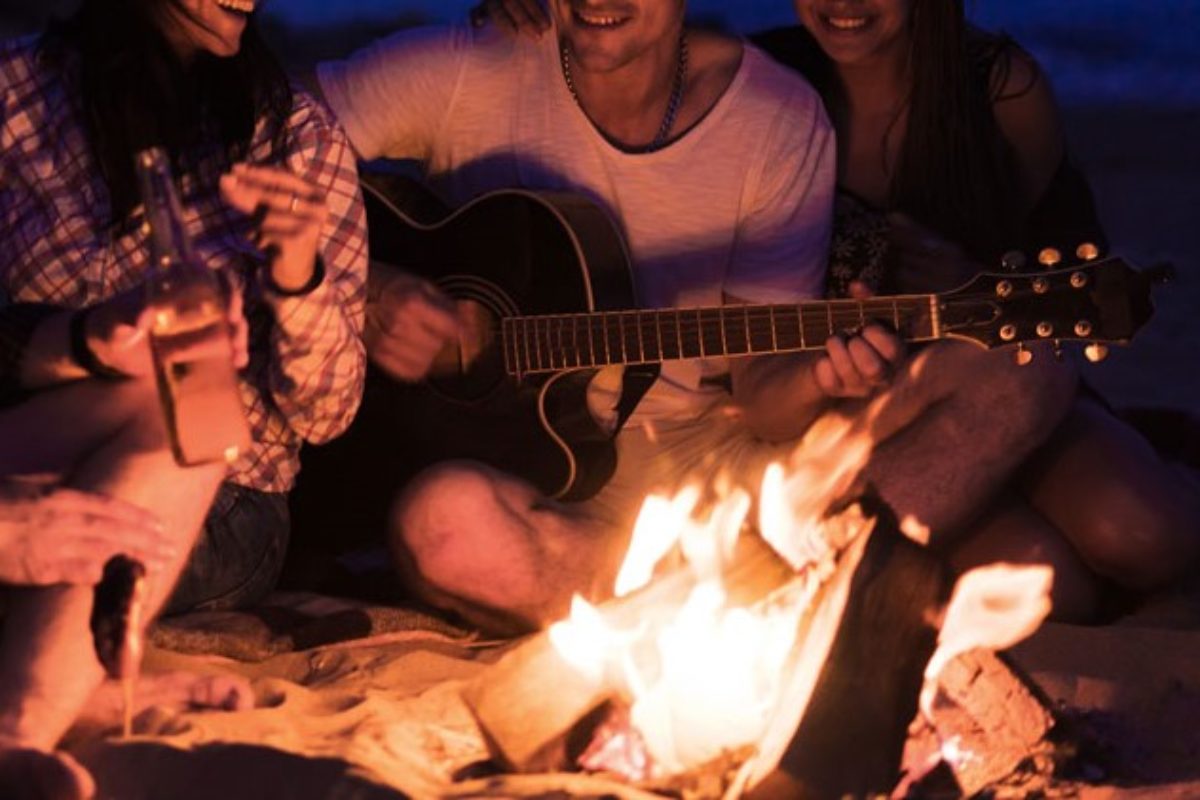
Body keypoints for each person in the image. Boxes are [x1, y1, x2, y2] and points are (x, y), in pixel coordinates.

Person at [313, 0, 1076, 635]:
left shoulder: (773, 117)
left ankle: (706, 596)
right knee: (443, 527)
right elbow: (240, 144)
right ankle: (765, 598)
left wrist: (816, 374)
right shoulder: (465, 67)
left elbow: (766, 401)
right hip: (532, 484)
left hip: (715, 465)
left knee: (1027, 369)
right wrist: (369, 287)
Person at [479, 0, 1200, 622]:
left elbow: (1076, 271)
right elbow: (616, 49)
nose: (842, 1)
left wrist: (971, 275)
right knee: (1053, 585)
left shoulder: (1001, 91)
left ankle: (1166, 448)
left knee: (1139, 534)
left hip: (992, 375)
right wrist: (524, 15)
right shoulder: (759, 82)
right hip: (856, 421)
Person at [0, 0, 367, 794]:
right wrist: (85, 340)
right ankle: (64, 691)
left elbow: (329, 415)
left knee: (195, 399)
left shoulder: (294, 139)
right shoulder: (21, 95)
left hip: (226, 498)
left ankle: (20, 727)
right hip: (50, 438)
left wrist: (298, 275)